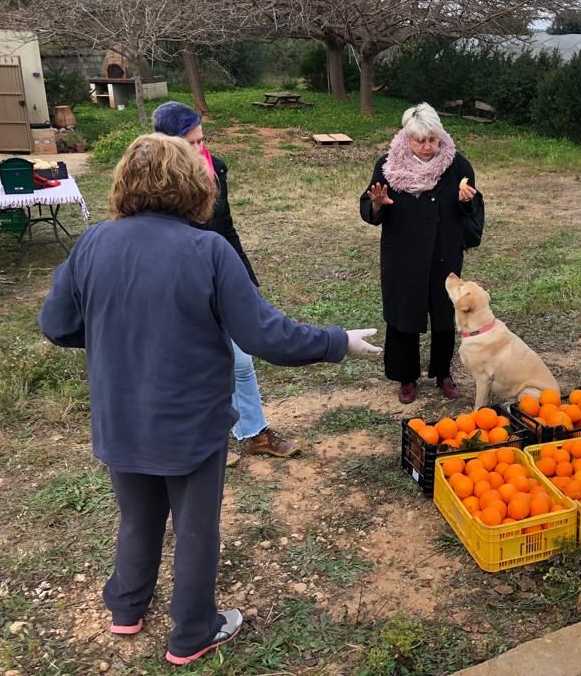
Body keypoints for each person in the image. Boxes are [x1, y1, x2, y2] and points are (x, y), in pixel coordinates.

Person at [38, 134, 380, 665]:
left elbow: (56, 325)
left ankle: (126, 606)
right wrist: (339, 341)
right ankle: (193, 630)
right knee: (196, 528)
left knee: (137, 516)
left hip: (120, 418)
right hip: (190, 425)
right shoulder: (208, 250)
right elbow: (267, 336)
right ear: (196, 186)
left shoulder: (92, 243)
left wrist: (119, 333)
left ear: (124, 182)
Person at [152, 101, 295, 464]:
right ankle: (204, 440)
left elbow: (226, 227)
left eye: (202, 140)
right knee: (194, 364)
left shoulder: (215, 168)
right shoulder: (154, 182)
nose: (200, 150)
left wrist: (244, 278)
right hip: (180, 285)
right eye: (192, 143)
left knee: (241, 361)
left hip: (218, 276)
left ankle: (254, 432)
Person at [360, 102, 484, 404]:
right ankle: (406, 376)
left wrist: (466, 201)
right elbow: (370, 205)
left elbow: (472, 207)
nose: (428, 147)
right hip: (404, 250)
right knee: (405, 311)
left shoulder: (457, 165)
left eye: (433, 140)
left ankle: (443, 373)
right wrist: (377, 203)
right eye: (420, 140)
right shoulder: (388, 165)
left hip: (444, 249)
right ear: (407, 138)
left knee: (445, 311)